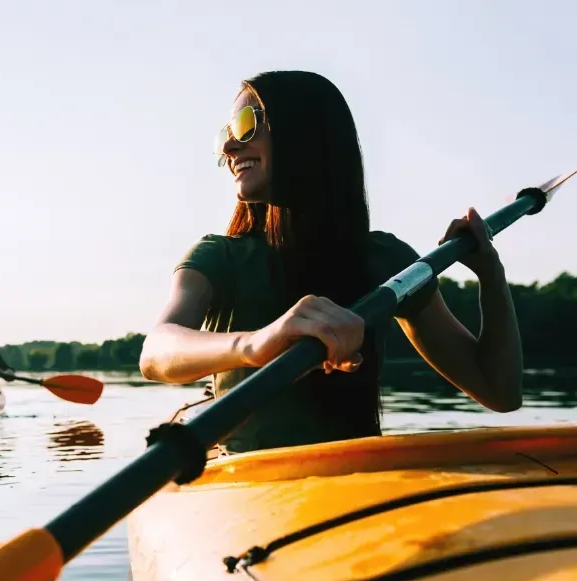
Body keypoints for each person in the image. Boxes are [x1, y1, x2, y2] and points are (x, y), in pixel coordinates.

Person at [139, 70, 523, 454]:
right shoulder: (218, 257)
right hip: (244, 486)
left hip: (355, 479)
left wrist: (491, 274)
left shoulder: (386, 261)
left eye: (245, 126)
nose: (230, 148)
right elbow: (155, 353)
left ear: (305, 133)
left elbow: (500, 392)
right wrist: (256, 343)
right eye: (226, 135)